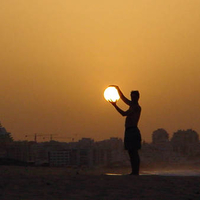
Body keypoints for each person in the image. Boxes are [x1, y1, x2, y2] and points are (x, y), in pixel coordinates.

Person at [109, 86, 142, 175]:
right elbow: (123, 97)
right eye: (131, 97)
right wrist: (117, 88)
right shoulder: (131, 105)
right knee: (130, 152)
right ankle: (133, 171)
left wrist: (115, 105)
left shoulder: (136, 107)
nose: (132, 98)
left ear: (138, 97)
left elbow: (124, 114)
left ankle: (136, 172)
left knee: (134, 152)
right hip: (128, 131)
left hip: (133, 131)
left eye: (134, 97)